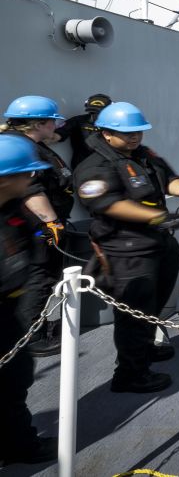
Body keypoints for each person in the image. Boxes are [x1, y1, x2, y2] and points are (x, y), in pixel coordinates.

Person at [73, 102, 179, 393]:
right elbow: (107, 203)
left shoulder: (142, 155)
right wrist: (156, 216)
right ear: (106, 134)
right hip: (127, 249)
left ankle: (144, 349)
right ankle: (130, 374)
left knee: (152, 305)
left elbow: (167, 177)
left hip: (157, 241)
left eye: (138, 132)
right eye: (126, 133)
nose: (134, 137)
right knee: (133, 312)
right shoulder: (93, 167)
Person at [0, 134, 57, 467]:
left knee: (15, 379)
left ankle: (18, 445)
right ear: (5, 178)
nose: (31, 178)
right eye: (26, 173)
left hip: (9, 315)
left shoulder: (13, 210)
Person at [1, 95, 74, 357]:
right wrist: (51, 222)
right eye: (52, 122)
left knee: (43, 276)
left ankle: (35, 325)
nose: (56, 127)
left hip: (36, 225)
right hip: (36, 227)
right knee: (39, 277)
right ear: (39, 123)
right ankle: (32, 337)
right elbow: (32, 190)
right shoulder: (24, 148)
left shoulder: (27, 143)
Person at [56, 93, 111, 169]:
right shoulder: (78, 121)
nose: (96, 115)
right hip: (82, 167)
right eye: (93, 112)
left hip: (107, 166)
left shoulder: (115, 124)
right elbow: (57, 135)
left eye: (101, 112)